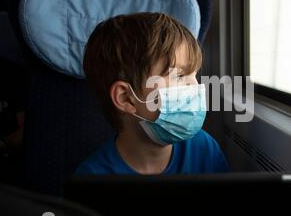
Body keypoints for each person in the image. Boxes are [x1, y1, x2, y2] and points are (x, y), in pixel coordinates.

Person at [75, 13, 229, 175]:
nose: (195, 86)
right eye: (180, 76)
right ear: (126, 98)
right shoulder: (92, 178)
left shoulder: (204, 149)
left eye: (194, 75)